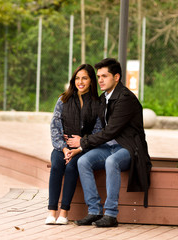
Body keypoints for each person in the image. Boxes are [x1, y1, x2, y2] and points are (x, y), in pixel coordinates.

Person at [67, 58, 152, 227]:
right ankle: (94, 211)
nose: (100, 80)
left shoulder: (125, 98)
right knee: (83, 161)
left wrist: (83, 142)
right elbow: (97, 127)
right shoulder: (103, 98)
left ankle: (111, 214)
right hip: (109, 146)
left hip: (129, 148)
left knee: (111, 162)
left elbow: (111, 131)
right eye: (98, 76)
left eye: (104, 76)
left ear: (116, 77)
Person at [45, 64, 101, 225]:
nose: (80, 81)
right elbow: (55, 126)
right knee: (56, 166)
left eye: (84, 78)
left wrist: (79, 146)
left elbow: (98, 131)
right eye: (77, 78)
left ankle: (64, 212)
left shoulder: (97, 104)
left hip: (83, 148)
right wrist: (64, 148)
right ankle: (51, 211)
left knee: (71, 168)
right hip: (61, 147)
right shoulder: (63, 99)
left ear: (91, 81)